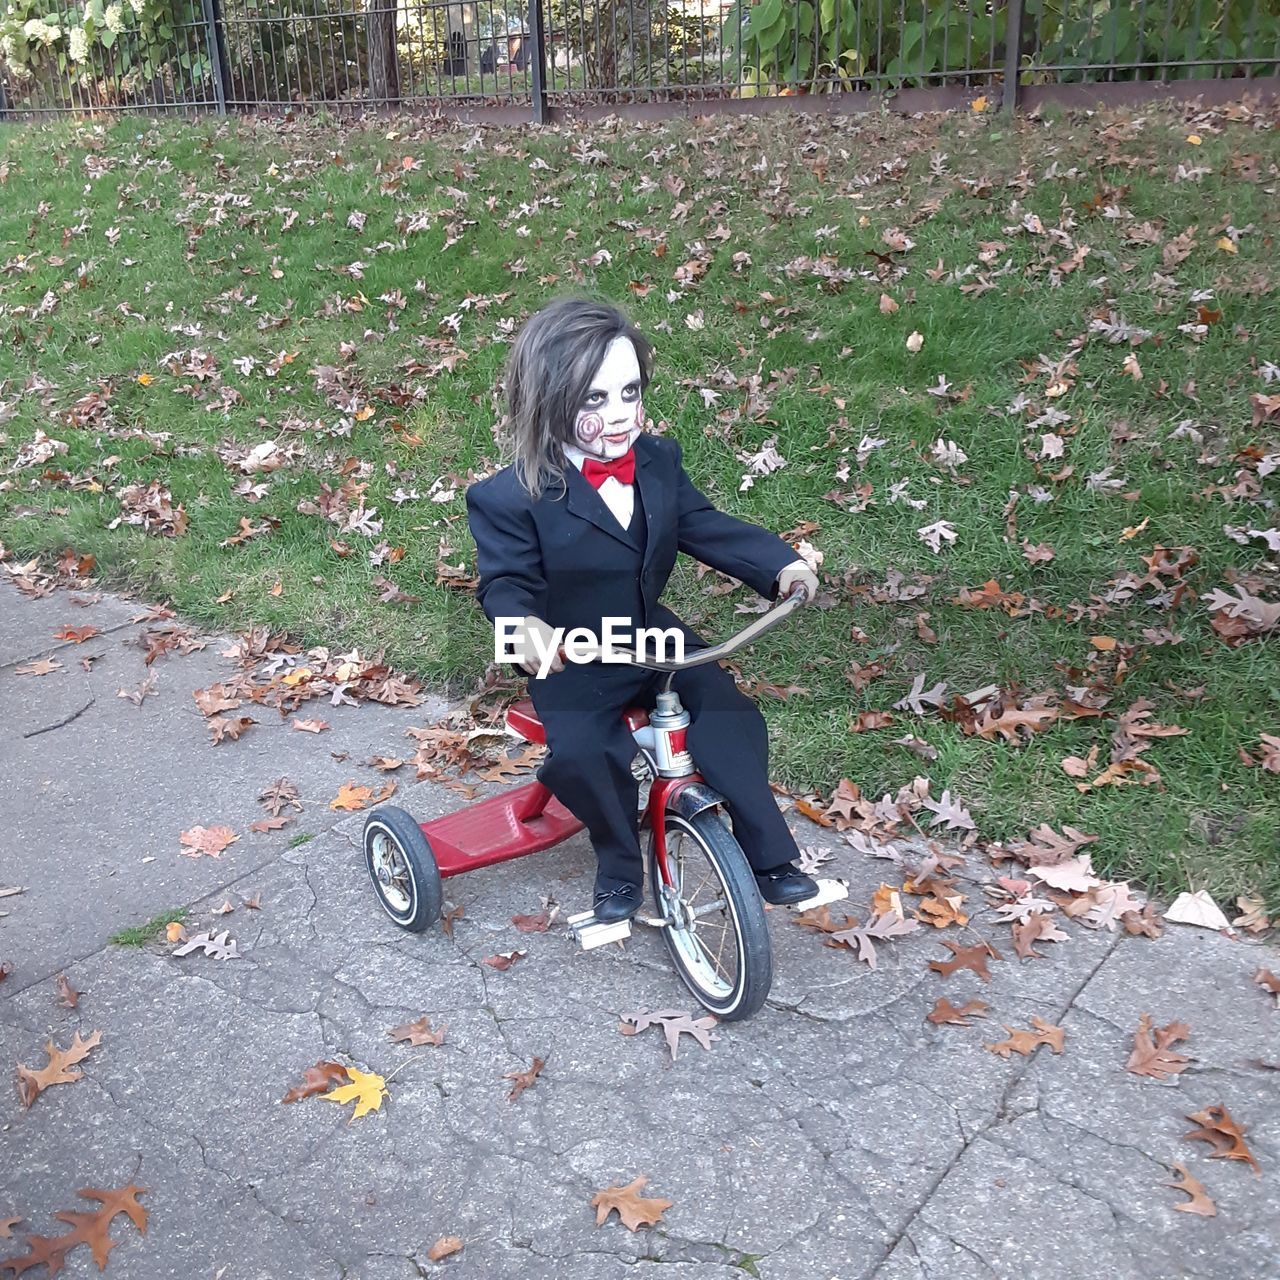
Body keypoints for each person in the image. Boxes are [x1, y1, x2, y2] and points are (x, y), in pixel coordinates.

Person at [465, 297, 821, 924]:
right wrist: (523, 627)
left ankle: (770, 856)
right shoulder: (509, 497)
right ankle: (619, 863)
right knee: (581, 753)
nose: (621, 415)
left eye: (629, 392)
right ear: (548, 405)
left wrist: (779, 565)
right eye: (594, 400)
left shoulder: (658, 461)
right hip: (573, 653)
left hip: (649, 634)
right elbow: (505, 582)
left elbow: (703, 525)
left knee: (727, 712)